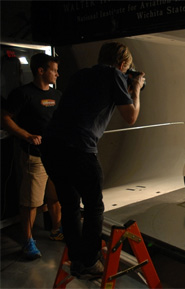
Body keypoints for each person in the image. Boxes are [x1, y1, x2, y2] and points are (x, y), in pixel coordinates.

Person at [41, 42, 145, 279]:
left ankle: (78, 259)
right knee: (94, 206)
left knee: (69, 204)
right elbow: (130, 116)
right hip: (78, 149)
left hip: (52, 146)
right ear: (121, 64)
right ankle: (88, 261)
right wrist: (136, 88)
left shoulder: (81, 75)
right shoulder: (114, 75)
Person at [1, 53, 63, 260]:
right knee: (31, 202)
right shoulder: (22, 94)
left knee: (55, 197)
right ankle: (28, 241)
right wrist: (26, 135)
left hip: (55, 156)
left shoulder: (57, 96)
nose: (57, 74)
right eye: (54, 70)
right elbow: (4, 118)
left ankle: (56, 230)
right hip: (34, 157)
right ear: (41, 71)